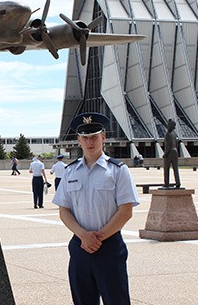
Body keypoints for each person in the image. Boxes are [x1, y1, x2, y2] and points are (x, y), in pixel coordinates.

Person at [52, 112, 140, 305]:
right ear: (78, 140)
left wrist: (97, 238)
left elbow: (126, 211)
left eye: (94, 137)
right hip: (80, 246)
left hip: (109, 247)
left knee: (116, 300)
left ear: (103, 137)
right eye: (85, 137)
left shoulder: (117, 170)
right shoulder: (70, 171)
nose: (89, 142)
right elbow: (63, 210)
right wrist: (83, 236)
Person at [163, 118, 181, 188]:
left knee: (166, 168)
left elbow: (167, 145)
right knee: (175, 168)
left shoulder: (168, 134)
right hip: (175, 151)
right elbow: (176, 144)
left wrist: (165, 154)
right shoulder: (174, 134)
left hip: (169, 152)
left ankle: (166, 183)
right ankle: (178, 182)